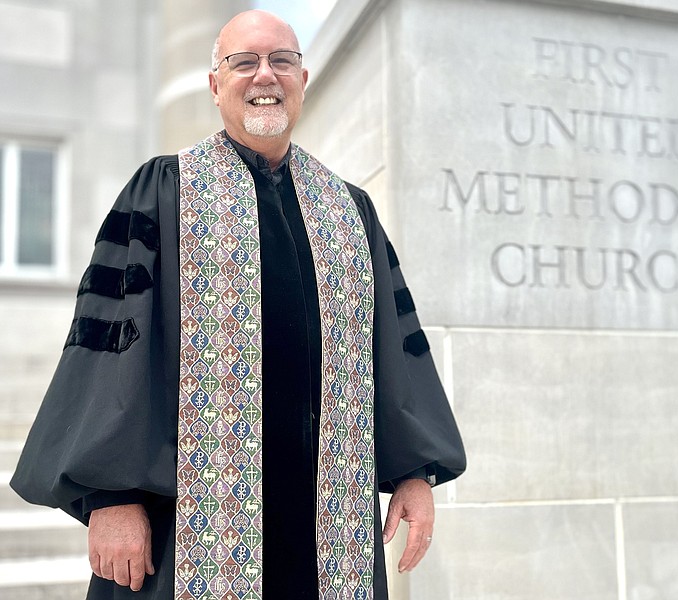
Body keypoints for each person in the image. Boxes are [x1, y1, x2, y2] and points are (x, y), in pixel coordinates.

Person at [11, 9, 465, 600]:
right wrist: (111, 496)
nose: (264, 76)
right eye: (244, 61)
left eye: (281, 60)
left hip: (333, 526)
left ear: (303, 79)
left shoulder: (351, 212)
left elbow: (393, 346)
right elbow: (107, 351)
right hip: (188, 529)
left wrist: (412, 471)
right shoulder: (164, 192)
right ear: (215, 84)